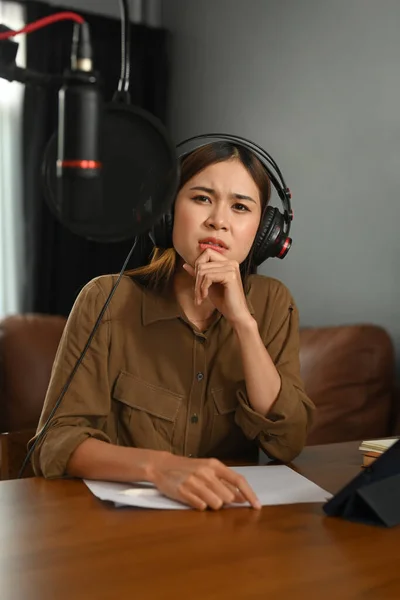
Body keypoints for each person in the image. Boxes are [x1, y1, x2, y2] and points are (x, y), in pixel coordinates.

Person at [31, 141, 315, 511]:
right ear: (165, 212)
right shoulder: (106, 299)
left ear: (265, 234)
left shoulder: (272, 303)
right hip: (118, 528)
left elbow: (287, 441)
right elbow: (55, 441)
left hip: (229, 526)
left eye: (241, 207)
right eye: (201, 198)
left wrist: (244, 324)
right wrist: (159, 468)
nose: (218, 220)